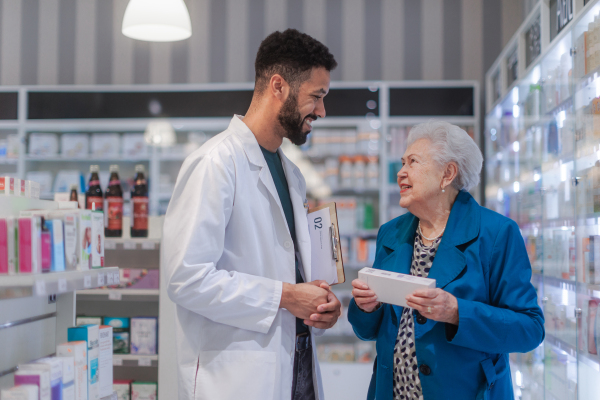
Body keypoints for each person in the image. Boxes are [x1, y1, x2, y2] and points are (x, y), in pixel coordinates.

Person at [162, 29, 342, 400]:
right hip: (237, 375)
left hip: (296, 363)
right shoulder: (216, 163)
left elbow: (290, 273)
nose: (322, 111)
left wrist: (317, 305)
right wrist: (286, 296)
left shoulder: (291, 173)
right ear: (279, 86)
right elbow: (186, 279)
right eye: (317, 96)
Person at [349, 121, 545, 400]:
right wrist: (366, 308)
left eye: (413, 162)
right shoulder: (390, 233)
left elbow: (530, 329)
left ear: (447, 174)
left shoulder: (496, 233)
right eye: (402, 163)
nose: (400, 173)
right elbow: (367, 331)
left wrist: (457, 312)